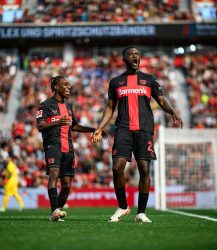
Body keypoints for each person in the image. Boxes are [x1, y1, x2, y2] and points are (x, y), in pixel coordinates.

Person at [92, 47, 183, 223]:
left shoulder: (149, 80)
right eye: (131, 54)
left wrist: (173, 112)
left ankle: (141, 212)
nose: (135, 56)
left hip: (144, 130)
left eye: (138, 54)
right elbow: (110, 108)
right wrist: (99, 127)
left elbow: (162, 101)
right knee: (117, 167)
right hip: (123, 129)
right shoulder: (116, 82)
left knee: (144, 169)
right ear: (124, 58)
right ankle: (123, 206)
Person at [36, 76, 107, 222]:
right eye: (65, 84)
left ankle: (56, 211)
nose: (69, 87)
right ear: (56, 87)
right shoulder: (45, 105)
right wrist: (57, 122)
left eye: (69, 84)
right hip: (52, 145)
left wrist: (95, 129)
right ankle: (55, 210)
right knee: (54, 174)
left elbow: (73, 126)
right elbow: (40, 126)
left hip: (68, 148)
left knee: (67, 185)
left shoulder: (68, 106)